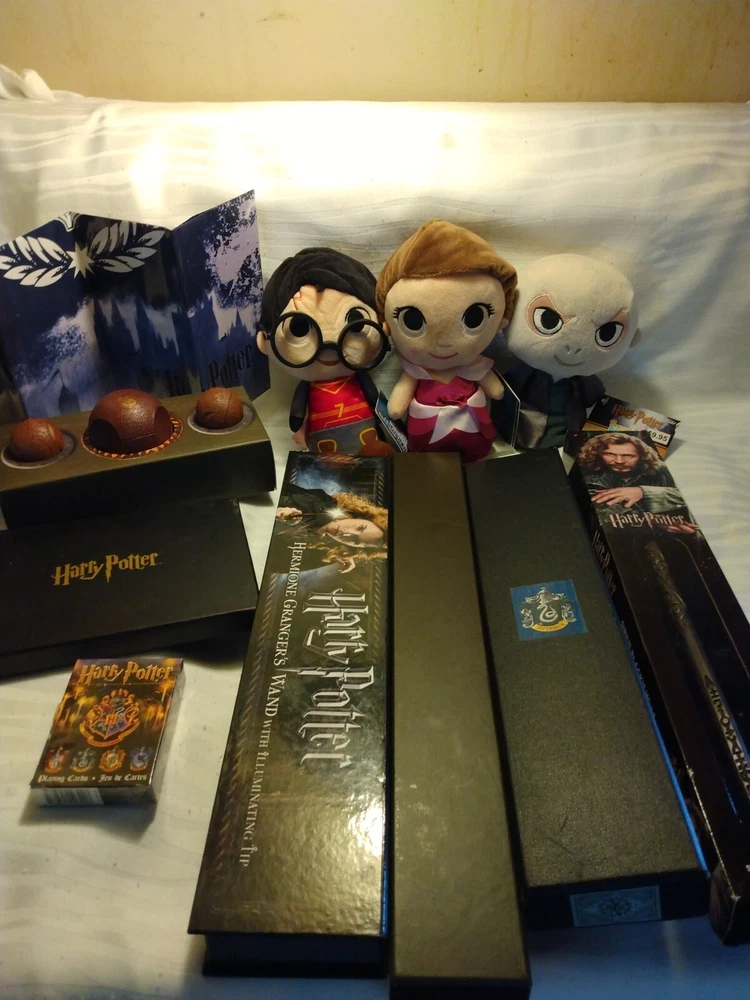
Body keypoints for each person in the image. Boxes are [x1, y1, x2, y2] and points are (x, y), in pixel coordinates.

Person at [376, 220, 517, 463]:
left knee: (477, 458)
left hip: (472, 425)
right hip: (427, 438)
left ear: (501, 320)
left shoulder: (475, 366)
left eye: (474, 318)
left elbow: (497, 391)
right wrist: (396, 409)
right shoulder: (414, 372)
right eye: (412, 321)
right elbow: (396, 409)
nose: (444, 344)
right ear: (387, 326)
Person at [257, 247, 392, 456]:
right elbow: (297, 415)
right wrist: (297, 422)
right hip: (324, 448)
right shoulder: (308, 386)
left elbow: (376, 402)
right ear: (264, 343)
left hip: (366, 440)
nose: (330, 345)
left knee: (374, 454)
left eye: (356, 322)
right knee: (328, 460)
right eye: (299, 328)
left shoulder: (359, 378)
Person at [276, 482, 388, 573]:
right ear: (361, 517)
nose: (345, 532)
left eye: (354, 541)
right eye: (360, 527)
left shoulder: (323, 553)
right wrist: (283, 510)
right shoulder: (320, 504)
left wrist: (340, 555)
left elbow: (276, 567)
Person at [577, 432, 686, 514]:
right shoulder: (588, 473)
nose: (619, 461)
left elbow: (686, 496)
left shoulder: (660, 470)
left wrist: (643, 492)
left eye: (628, 456)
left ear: (642, 456)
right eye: (610, 454)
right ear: (598, 454)